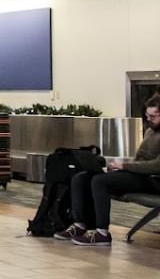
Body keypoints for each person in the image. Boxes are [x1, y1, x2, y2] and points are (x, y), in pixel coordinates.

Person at [56, 96, 160, 246]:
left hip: (155, 180)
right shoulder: (151, 131)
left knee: (100, 181)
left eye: (153, 116)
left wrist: (126, 167)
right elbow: (141, 160)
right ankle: (79, 225)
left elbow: (157, 166)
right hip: (141, 175)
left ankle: (102, 232)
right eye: (147, 116)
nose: (149, 119)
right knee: (82, 178)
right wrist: (119, 166)